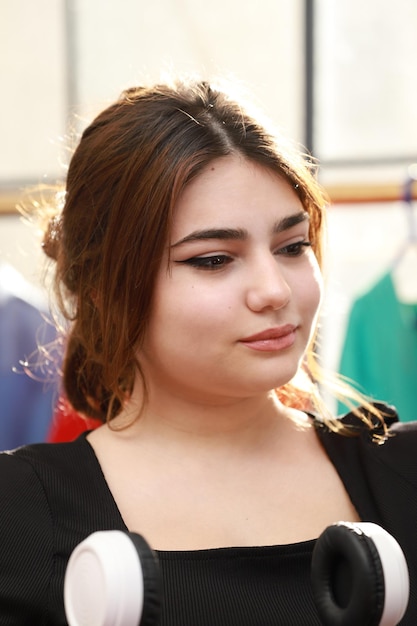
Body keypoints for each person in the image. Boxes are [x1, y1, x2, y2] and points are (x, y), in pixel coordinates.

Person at [0, 78, 416, 625]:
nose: (275, 290)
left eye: (293, 247)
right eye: (214, 259)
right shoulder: (21, 515)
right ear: (103, 286)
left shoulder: (403, 473)